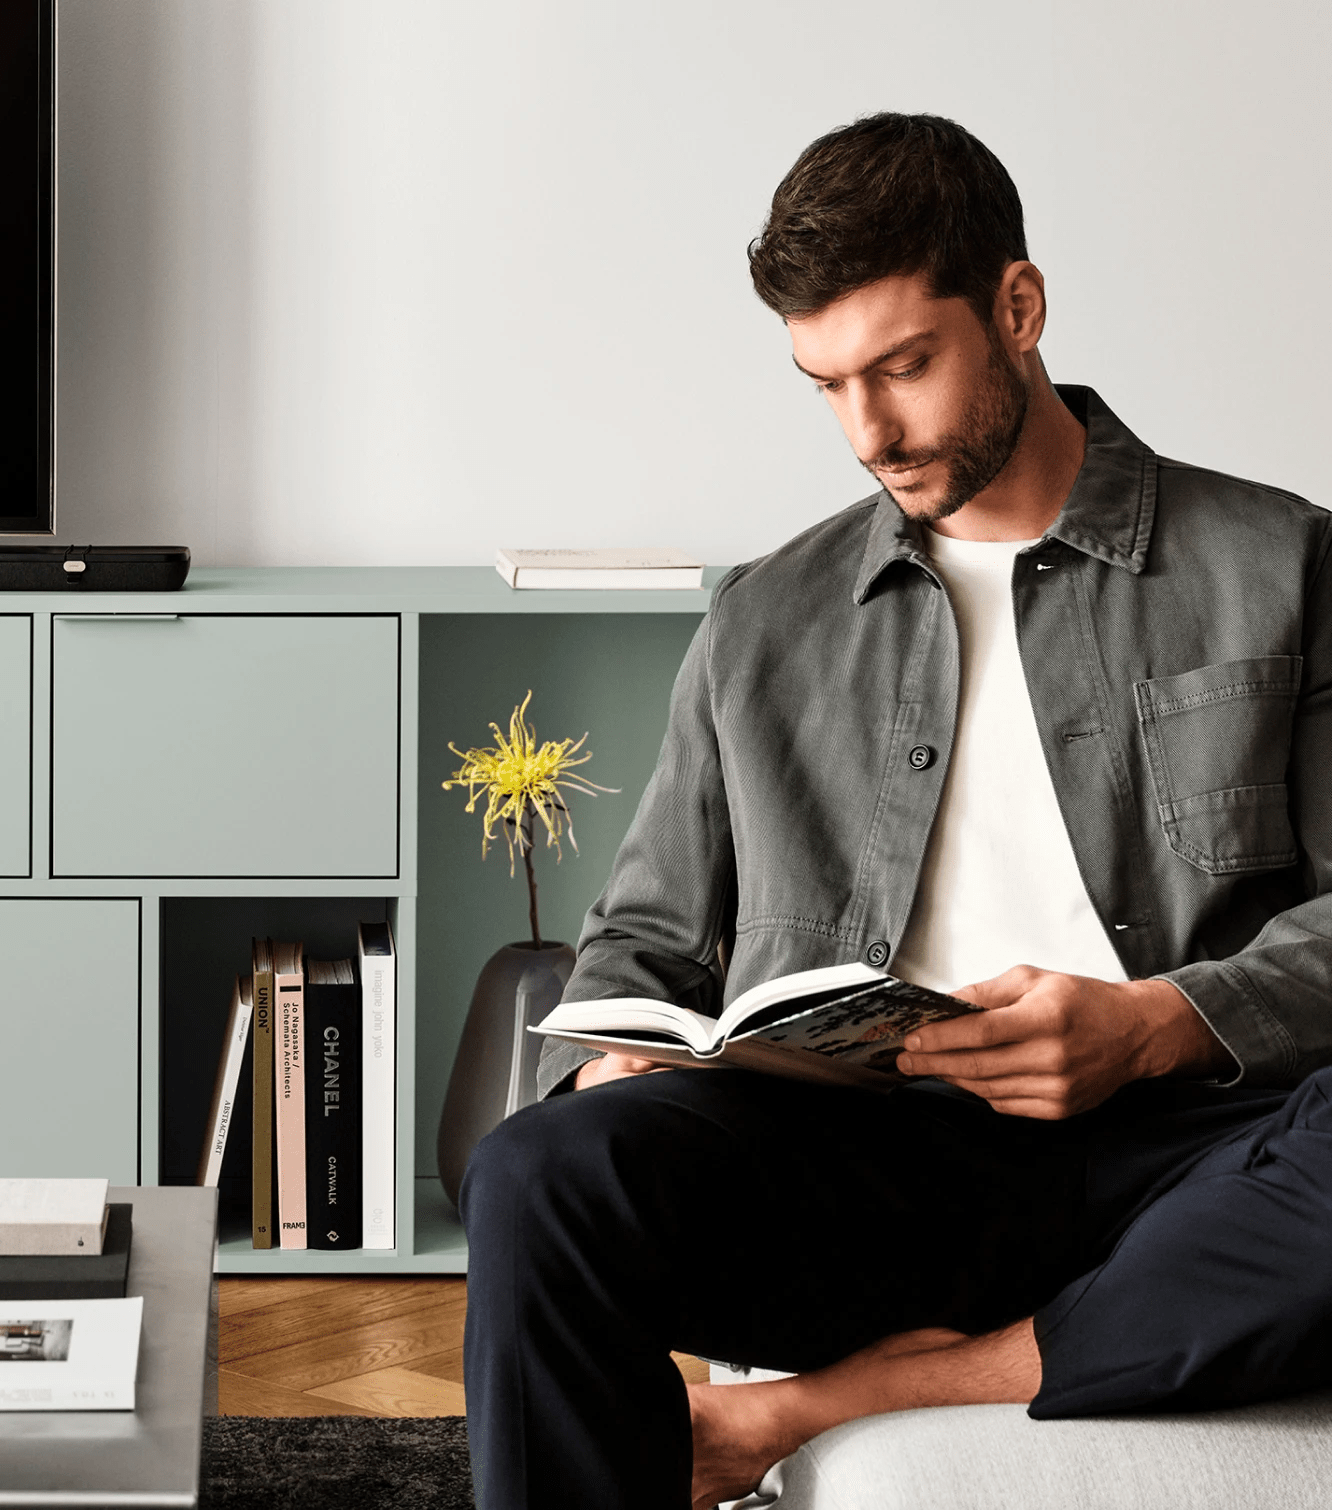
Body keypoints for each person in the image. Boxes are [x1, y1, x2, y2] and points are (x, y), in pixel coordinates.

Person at [459, 112, 1332, 1510]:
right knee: (539, 1175)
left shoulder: (1278, 561)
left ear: (1019, 307)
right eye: (827, 386)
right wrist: (622, 1061)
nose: (870, 431)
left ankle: (858, 1395)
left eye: (905, 367)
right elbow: (642, 941)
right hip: (875, 1177)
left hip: (1199, 1153)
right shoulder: (764, 618)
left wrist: (1159, 1020)